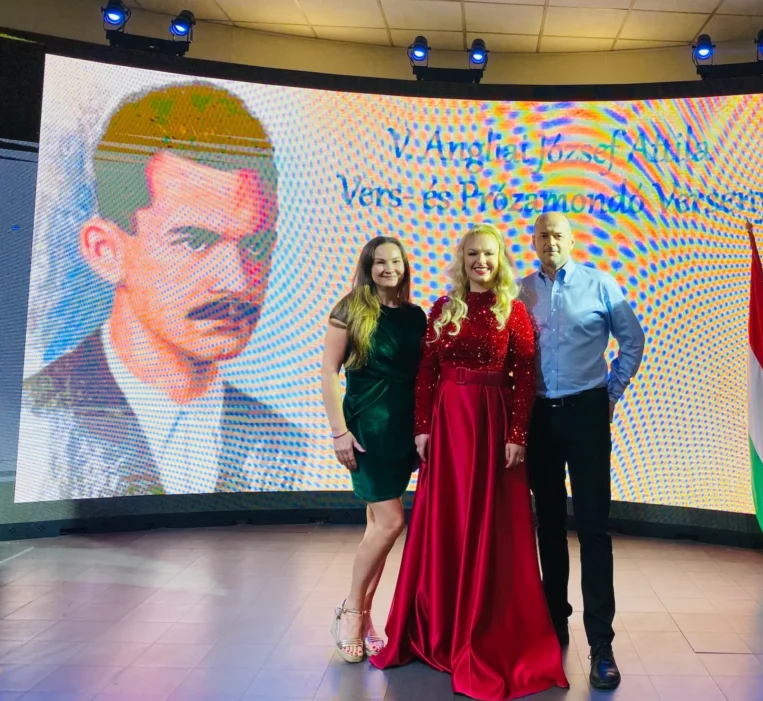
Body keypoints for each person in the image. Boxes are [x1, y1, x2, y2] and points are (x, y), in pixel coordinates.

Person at [16, 83, 304, 501]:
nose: (238, 281)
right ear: (106, 251)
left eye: (256, 245)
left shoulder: (285, 444)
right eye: (194, 241)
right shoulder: (38, 421)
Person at [372, 223, 568, 701]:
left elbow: (525, 378)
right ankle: (440, 623)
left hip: (493, 427)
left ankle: (484, 624)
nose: (481, 261)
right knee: (449, 522)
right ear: (462, 260)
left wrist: (517, 435)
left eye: (488, 254)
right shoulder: (443, 308)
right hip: (448, 426)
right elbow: (427, 371)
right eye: (473, 254)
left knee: (491, 526)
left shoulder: (513, 310)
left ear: (500, 260)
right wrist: (422, 426)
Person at [519, 212, 646, 691]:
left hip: (587, 412)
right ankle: (554, 624)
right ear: (533, 241)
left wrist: (610, 393)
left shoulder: (601, 284)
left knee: (593, 528)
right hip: (538, 416)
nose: (550, 241)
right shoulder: (520, 291)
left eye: (558, 235)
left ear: (572, 241)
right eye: (542, 235)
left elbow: (632, 341)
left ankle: (601, 645)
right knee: (549, 525)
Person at [321, 236, 426, 663]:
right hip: (366, 429)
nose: (388, 269)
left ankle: (364, 618)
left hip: (402, 431)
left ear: (405, 267)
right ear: (368, 266)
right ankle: (350, 611)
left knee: (377, 531)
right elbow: (328, 372)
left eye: (395, 262)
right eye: (380, 262)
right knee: (391, 522)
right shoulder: (350, 309)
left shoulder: (416, 316)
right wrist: (338, 432)